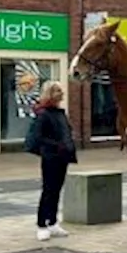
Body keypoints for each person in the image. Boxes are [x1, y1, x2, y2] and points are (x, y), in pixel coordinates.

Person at [32, 80, 76, 242]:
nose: (61, 94)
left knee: (56, 190)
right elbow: (39, 137)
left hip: (62, 157)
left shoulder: (60, 113)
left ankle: (53, 221)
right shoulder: (43, 114)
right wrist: (57, 145)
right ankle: (41, 224)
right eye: (57, 91)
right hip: (50, 157)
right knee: (48, 190)